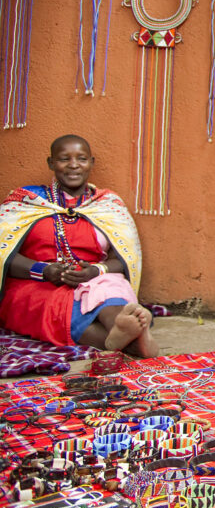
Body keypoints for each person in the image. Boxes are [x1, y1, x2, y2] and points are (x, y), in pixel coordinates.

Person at [0, 134, 157, 357]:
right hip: (35, 283)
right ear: (51, 163)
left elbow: (124, 258)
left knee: (109, 288)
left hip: (93, 277)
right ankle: (132, 340)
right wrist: (44, 271)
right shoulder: (25, 201)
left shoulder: (108, 204)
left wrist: (95, 270)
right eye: (64, 159)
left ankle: (122, 325)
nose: (74, 165)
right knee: (59, 306)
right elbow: (4, 254)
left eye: (81, 159)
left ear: (91, 163)